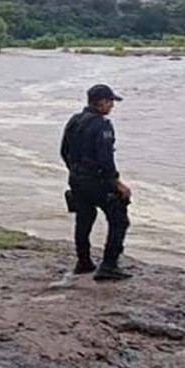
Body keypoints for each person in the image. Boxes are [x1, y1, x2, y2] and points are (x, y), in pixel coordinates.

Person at [61, 84, 132, 281]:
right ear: (100, 102)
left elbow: (64, 151)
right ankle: (109, 266)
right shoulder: (102, 126)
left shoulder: (74, 121)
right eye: (110, 101)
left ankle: (83, 262)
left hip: (76, 180)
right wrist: (117, 183)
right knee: (119, 220)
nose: (112, 106)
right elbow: (105, 159)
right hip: (98, 182)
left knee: (84, 218)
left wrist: (76, 172)